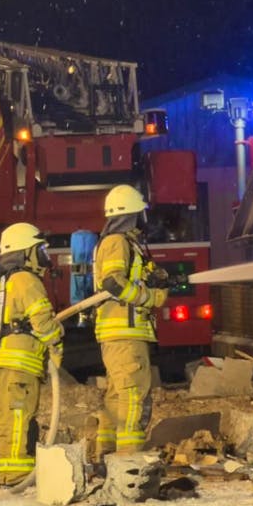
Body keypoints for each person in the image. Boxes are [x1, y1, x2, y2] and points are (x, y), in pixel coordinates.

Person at [0, 223, 63, 486]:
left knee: (9, 421)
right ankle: (18, 477)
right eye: (39, 248)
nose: (44, 254)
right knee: (19, 419)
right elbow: (42, 321)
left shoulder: (3, 280)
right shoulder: (26, 279)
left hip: (0, 362)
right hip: (19, 364)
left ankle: (9, 474)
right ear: (25, 252)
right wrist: (57, 341)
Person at [93, 184, 168, 459]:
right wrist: (149, 297)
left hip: (120, 335)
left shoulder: (123, 243)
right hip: (125, 333)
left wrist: (154, 277)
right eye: (141, 213)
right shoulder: (117, 242)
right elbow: (113, 282)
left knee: (117, 395)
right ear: (132, 214)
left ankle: (108, 454)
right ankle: (129, 458)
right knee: (132, 396)